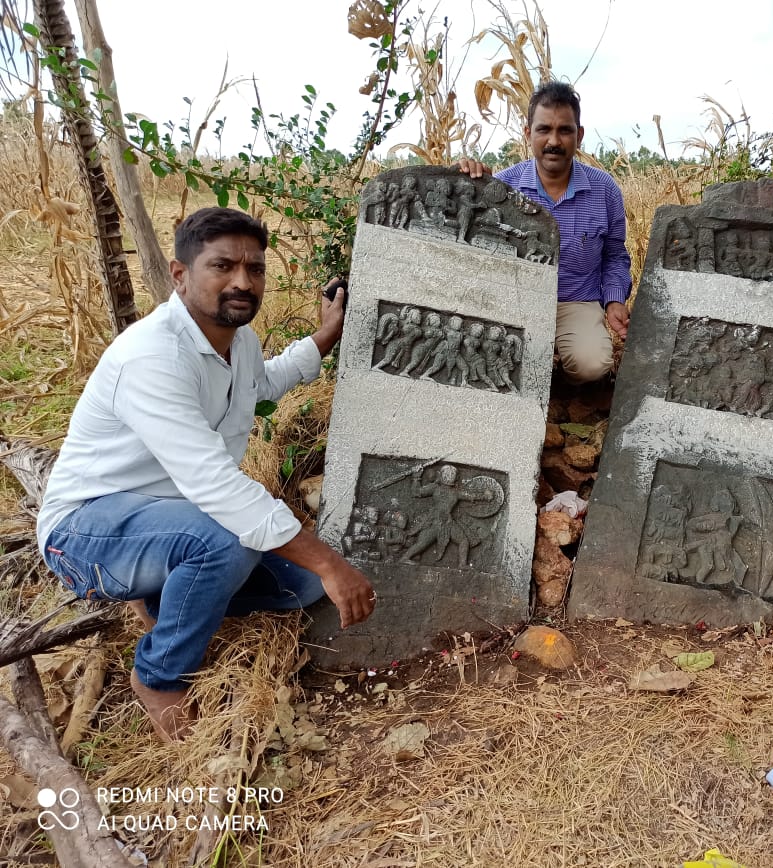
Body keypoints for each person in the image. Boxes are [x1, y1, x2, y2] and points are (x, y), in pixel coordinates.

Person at [36, 208, 376, 740]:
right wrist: (330, 560)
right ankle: (160, 674)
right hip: (86, 532)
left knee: (303, 586)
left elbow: (261, 386)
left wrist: (326, 335)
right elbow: (215, 486)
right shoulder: (152, 357)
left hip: (173, 522)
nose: (243, 281)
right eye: (223, 266)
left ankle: (162, 597)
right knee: (231, 539)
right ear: (180, 274)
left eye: (255, 269)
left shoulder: (238, 342)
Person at [459, 80, 632, 383]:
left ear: (578, 136)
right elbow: (471, 245)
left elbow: (615, 256)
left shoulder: (605, 191)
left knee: (592, 365)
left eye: (565, 130)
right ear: (528, 134)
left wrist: (615, 300)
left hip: (575, 300)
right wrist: (468, 185)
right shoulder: (502, 186)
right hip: (515, 299)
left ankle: (566, 386)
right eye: (543, 130)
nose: (554, 140)